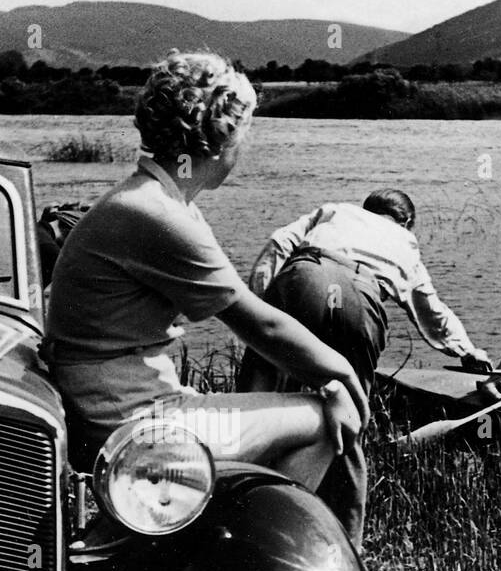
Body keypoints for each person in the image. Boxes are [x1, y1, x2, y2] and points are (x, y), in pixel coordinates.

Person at [42, 51, 367, 491]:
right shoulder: (158, 213)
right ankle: (267, 541)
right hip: (128, 423)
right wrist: (343, 376)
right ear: (219, 141)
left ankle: (226, 521)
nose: (245, 148)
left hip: (115, 404)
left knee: (307, 406)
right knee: (323, 417)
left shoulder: (156, 199)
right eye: (244, 134)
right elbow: (262, 326)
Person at [236, 190, 490, 548]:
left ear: (367, 208)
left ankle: (237, 509)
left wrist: (257, 307)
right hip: (359, 300)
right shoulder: (406, 241)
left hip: (305, 277)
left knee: (254, 400)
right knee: (348, 424)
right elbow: (431, 310)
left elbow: (279, 243)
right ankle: (343, 542)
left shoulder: (335, 211)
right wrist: (467, 351)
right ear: (405, 221)